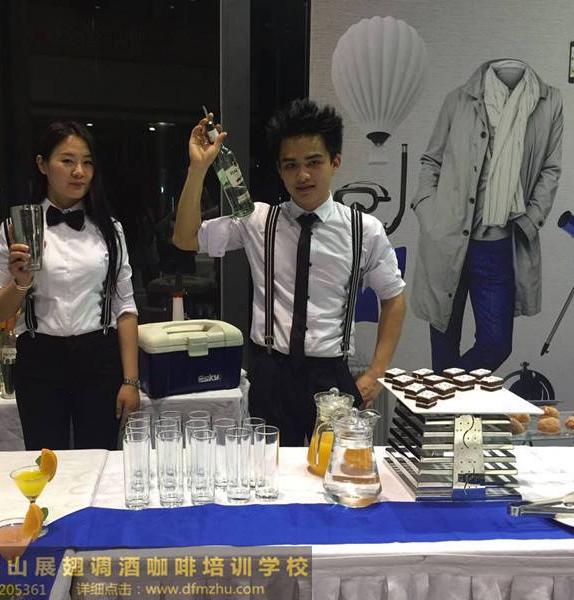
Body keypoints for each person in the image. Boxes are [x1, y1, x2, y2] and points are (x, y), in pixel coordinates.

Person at [172, 99, 406, 446]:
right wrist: (198, 168)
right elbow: (185, 238)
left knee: (336, 472)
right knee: (271, 472)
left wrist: (375, 373)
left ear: (335, 162)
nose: (303, 175)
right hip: (272, 375)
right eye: (291, 165)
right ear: (280, 170)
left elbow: (394, 298)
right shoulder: (257, 220)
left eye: (314, 162)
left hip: (332, 377)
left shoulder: (364, 230)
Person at [0, 121, 140, 451]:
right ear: (42, 164)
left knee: (98, 459)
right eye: (67, 160)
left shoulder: (110, 229)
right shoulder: (15, 229)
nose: (79, 172)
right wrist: (21, 282)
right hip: (39, 358)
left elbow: (125, 308)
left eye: (87, 162)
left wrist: (131, 380)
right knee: (45, 460)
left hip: (98, 356)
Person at [410, 59, 563, 374]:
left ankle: (436, 391)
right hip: (447, 238)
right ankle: (444, 402)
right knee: (444, 346)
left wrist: (531, 219)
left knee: (496, 344)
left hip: (498, 244)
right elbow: (432, 160)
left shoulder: (548, 102)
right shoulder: (458, 99)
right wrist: (427, 210)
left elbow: (550, 168)